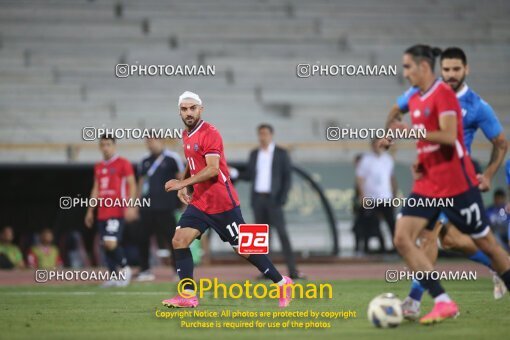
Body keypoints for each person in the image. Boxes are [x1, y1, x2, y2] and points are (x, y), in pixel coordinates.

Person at [387, 45, 510, 325]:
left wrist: (489, 174)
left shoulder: (476, 105)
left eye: (457, 69)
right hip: (430, 179)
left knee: (432, 238)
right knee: (446, 240)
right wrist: (393, 139)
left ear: (466, 70)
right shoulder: (423, 93)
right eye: (447, 69)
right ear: (439, 70)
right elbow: (398, 109)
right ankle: (455, 290)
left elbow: (500, 142)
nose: (451, 74)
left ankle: (415, 300)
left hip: (458, 179)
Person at [160, 91, 293, 308]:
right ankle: (187, 295)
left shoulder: (210, 133)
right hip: (201, 202)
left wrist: (181, 184)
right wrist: (186, 183)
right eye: (184, 109)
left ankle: (282, 282)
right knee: (179, 240)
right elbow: (192, 161)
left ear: (201, 109)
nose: (189, 112)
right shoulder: (186, 135)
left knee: (245, 249)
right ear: (179, 112)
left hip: (222, 202)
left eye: (193, 108)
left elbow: (212, 170)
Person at [237, 123, 301, 279]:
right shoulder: (254, 154)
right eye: (260, 134)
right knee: (261, 239)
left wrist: (282, 198)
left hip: (274, 200)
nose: (263, 137)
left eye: (265, 133)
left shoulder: (281, 153)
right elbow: (249, 175)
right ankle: (265, 272)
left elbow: (287, 178)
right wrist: (235, 173)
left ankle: (293, 271)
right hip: (258, 199)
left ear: (271, 135)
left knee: (282, 235)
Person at [84, 135, 137, 287]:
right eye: (103, 145)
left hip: (117, 210)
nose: (106, 147)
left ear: (114, 146)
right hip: (102, 211)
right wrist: (90, 211)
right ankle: (113, 276)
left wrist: (131, 205)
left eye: (108, 144)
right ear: (100, 147)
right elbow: (96, 189)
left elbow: (132, 184)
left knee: (110, 242)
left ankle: (126, 268)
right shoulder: (99, 166)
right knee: (104, 244)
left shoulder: (123, 163)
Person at [136, 138, 184, 281]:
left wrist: (183, 200)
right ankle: (144, 270)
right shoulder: (144, 160)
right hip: (147, 207)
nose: (151, 144)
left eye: (154, 141)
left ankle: (178, 271)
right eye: (148, 141)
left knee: (172, 240)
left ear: (161, 142)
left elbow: (181, 179)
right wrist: (135, 204)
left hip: (166, 207)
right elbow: (141, 183)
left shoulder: (172, 158)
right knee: (142, 238)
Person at [356, 138, 397, 252]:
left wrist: (394, 195)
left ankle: (396, 247)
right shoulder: (366, 160)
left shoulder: (388, 159)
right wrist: (363, 196)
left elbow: (391, 178)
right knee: (371, 223)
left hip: (386, 197)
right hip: (371, 198)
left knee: (391, 224)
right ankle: (371, 248)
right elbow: (360, 179)